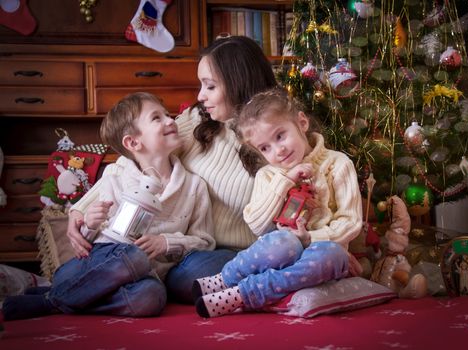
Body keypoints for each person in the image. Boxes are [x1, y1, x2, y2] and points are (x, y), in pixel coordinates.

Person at [65, 36, 278, 304]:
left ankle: (131, 291)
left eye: (210, 86)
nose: (200, 96)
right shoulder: (197, 120)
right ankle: (133, 292)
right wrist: (81, 209)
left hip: (227, 253)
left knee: (186, 275)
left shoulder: (274, 135)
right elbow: (137, 157)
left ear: (238, 83)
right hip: (179, 249)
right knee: (151, 266)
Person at [2, 92, 215, 320]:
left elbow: (205, 241)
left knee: (151, 298)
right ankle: (66, 294)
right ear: (133, 142)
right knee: (133, 256)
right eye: (157, 118)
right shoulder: (116, 174)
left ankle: (55, 299)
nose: (170, 120)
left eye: (167, 115)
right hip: (99, 263)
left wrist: (166, 242)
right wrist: (90, 224)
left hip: (145, 278)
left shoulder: (194, 186)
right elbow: (87, 233)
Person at [192, 88, 363, 318]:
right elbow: (257, 225)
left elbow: (350, 222)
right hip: (281, 254)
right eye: (265, 148)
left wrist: (311, 238)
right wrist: (286, 181)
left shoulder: (338, 164)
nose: (278, 150)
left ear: (301, 122)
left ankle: (243, 294)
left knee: (333, 256)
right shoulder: (269, 175)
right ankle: (226, 279)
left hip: (320, 252)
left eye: (280, 135)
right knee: (284, 241)